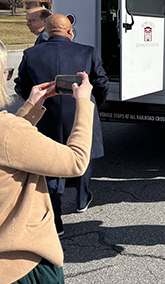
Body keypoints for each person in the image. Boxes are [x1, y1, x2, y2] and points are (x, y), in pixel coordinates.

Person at [0, 40, 95, 284]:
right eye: (6, 73)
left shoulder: (9, 132)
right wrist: (84, 103)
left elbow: (9, 151)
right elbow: (76, 161)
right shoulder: (7, 131)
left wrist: (30, 109)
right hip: (18, 269)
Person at [14, 15, 109, 236]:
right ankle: (82, 200)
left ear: (46, 31)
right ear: (70, 31)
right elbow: (101, 82)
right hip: (79, 110)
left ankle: (55, 221)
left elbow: (22, 85)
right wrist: (94, 104)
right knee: (82, 153)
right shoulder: (87, 51)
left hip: (46, 116)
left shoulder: (31, 54)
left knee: (48, 166)